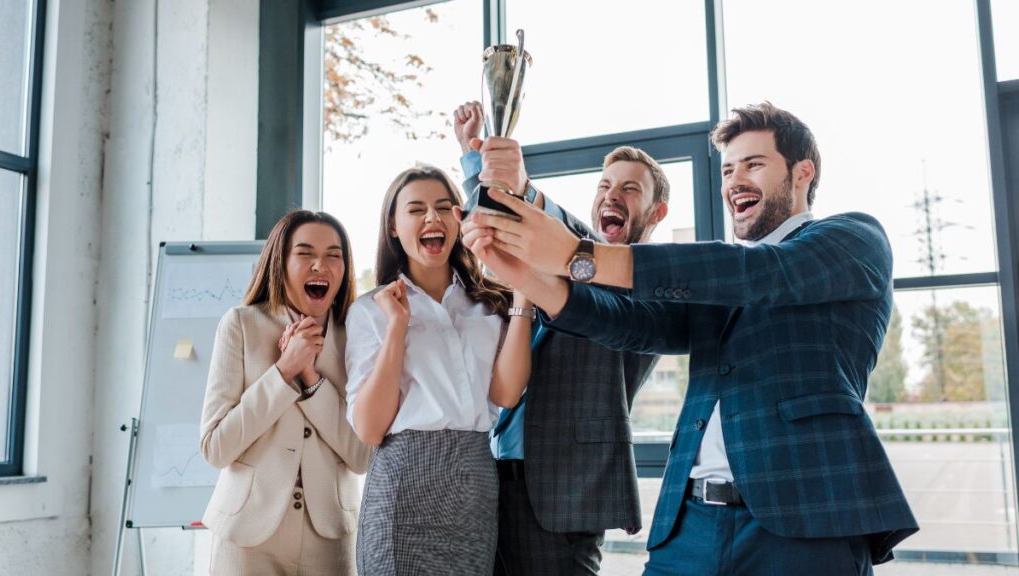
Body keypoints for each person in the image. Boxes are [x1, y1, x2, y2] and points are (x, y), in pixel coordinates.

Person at [460, 102, 919, 575]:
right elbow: (633, 323)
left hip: (805, 520)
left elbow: (759, 275)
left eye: (754, 164)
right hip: (690, 527)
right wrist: (528, 277)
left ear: (803, 173)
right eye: (727, 169)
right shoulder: (717, 284)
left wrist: (580, 255)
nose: (735, 180)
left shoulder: (853, 238)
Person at [453, 101, 667, 575]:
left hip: (562, 491)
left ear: (657, 212)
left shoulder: (648, 286)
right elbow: (503, 235)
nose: (612, 196)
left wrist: (527, 189)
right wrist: (478, 165)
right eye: (605, 186)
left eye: (630, 189)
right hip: (494, 475)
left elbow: (582, 246)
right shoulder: (568, 266)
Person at [344, 165, 533, 575]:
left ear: (459, 219)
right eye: (416, 209)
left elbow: (506, 394)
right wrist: (397, 327)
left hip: (474, 484)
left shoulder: (489, 305)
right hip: (402, 484)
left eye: (444, 207)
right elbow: (371, 429)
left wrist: (523, 296)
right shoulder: (370, 311)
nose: (432, 218)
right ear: (393, 227)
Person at [199, 210, 371, 575]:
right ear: (280, 262)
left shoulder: (359, 335)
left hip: (331, 540)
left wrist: (311, 378)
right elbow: (216, 447)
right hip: (247, 539)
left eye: (333, 255)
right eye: (305, 253)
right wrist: (283, 372)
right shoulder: (241, 326)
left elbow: (362, 456)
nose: (319, 266)